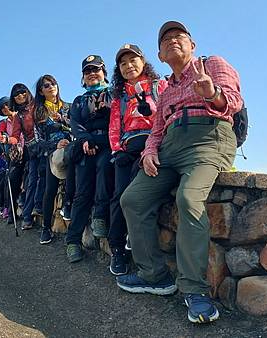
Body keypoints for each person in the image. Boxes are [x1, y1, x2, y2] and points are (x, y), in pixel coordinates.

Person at [117, 21, 243, 324]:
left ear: (192, 45)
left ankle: (196, 291)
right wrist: (149, 152)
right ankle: (155, 276)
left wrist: (212, 93)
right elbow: (157, 128)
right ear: (159, 56)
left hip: (206, 142)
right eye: (166, 40)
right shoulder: (167, 88)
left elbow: (234, 102)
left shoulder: (212, 64)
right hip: (170, 149)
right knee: (132, 199)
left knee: (188, 198)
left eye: (179, 37)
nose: (173, 41)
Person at [107, 44, 167, 275]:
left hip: (155, 142)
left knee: (136, 190)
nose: (129, 66)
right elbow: (114, 126)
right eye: (123, 63)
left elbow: (166, 113)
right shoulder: (119, 96)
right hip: (127, 146)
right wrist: (116, 150)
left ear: (143, 62)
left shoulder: (159, 85)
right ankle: (117, 249)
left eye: (133, 60)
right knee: (119, 194)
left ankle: (134, 235)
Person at [66, 55, 114, 262]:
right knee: (82, 192)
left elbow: (118, 119)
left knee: (105, 168)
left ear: (104, 72)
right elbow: (75, 124)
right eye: (87, 71)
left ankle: (100, 216)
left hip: (108, 144)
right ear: (83, 77)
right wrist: (86, 139)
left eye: (96, 69)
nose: (92, 73)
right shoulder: (78, 101)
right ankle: (72, 242)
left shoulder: (114, 95)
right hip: (86, 147)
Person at [32, 74, 73, 245]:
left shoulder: (69, 106)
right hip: (51, 155)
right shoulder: (39, 112)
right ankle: (46, 228)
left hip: (72, 149)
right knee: (50, 190)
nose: (51, 87)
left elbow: (76, 126)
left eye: (53, 83)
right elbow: (37, 140)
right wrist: (55, 145)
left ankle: (68, 205)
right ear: (41, 91)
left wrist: (64, 121)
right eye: (46, 85)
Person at [0, 97, 26, 224]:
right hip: (15, 155)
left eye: (7, 104)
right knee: (11, 181)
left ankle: (23, 204)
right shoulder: (3, 123)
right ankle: (11, 212)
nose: (6, 108)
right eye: (2, 107)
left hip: (29, 150)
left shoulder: (23, 116)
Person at [8, 83, 41, 230]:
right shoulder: (18, 116)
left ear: (27, 92)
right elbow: (15, 135)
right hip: (33, 150)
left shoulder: (38, 104)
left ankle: (37, 206)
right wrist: (10, 140)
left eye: (22, 93)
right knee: (33, 179)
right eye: (16, 95)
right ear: (13, 99)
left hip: (49, 144)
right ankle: (27, 216)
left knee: (43, 176)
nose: (20, 96)